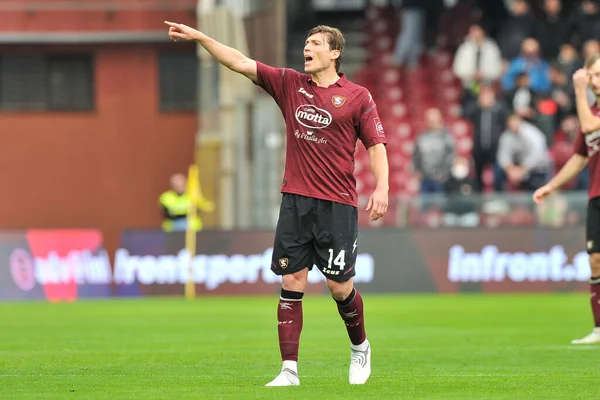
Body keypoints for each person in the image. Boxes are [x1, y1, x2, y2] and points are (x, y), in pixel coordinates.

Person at [165, 21, 389, 384]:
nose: (307, 48)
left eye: (316, 43)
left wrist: (382, 188)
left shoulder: (357, 96)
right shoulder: (289, 84)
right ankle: (289, 370)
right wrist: (202, 38)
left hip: (337, 205)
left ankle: (360, 347)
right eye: (306, 42)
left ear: (334, 53)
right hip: (295, 202)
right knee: (292, 279)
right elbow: (239, 62)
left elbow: (376, 146)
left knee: (339, 287)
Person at [533, 54, 600, 344]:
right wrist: (552, 186)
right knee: (596, 261)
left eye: (597, 75)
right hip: (596, 196)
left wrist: (577, 90)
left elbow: (587, 126)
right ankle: (599, 329)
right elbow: (580, 156)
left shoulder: (590, 113)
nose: (593, 82)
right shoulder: (594, 108)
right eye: (591, 76)